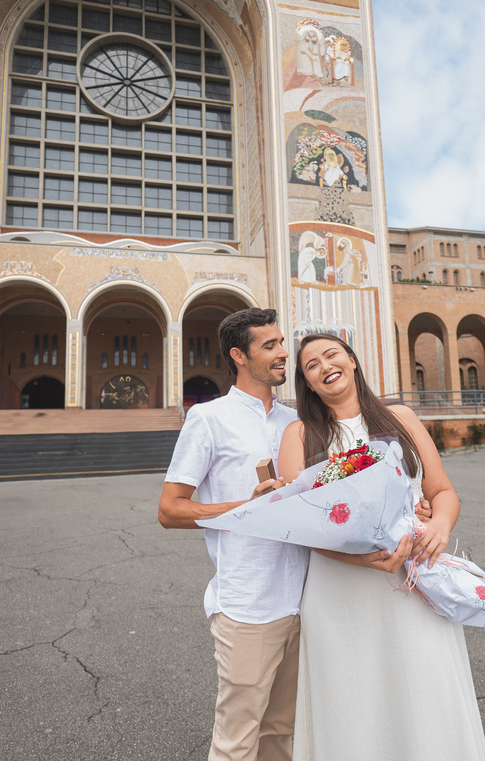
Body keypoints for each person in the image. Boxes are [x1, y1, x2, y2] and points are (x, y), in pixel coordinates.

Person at [278, 333, 485, 761]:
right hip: (339, 586)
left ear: (353, 361)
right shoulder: (299, 434)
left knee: (423, 684)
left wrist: (440, 528)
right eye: (311, 366)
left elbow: (442, 491)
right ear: (308, 383)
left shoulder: (401, 418)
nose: (324, 366)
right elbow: (299, 523)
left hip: (413, 577)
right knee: (351, 697)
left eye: (332, 355)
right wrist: (357, 556)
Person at [158, 308, 308, 761]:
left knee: (281, 732)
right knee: (236, 738)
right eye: (270, 346)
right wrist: (249, 507)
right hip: (247, 605)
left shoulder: (296, 421)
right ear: (239, 355)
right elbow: (170, 509)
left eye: (283, 343)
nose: (284, 353)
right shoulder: (208, 418)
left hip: (306, 600)